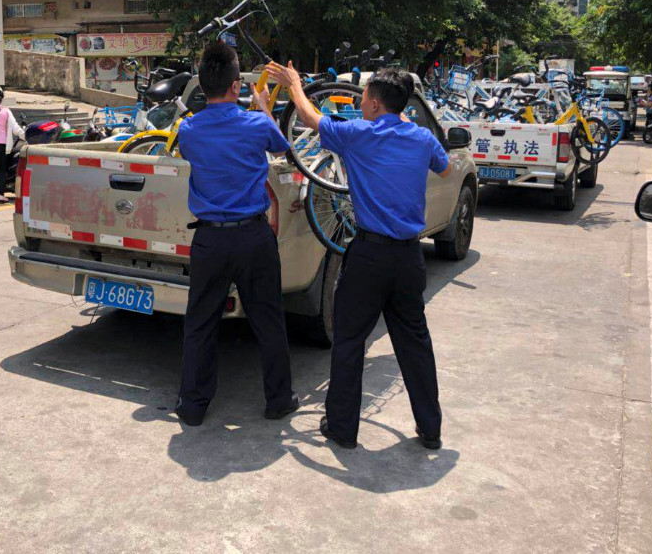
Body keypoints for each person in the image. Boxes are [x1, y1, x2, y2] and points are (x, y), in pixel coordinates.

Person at [268, 61, 451, 450]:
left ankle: (342, 428)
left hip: (370, 255)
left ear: (375, 104)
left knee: (350, 340)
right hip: (409, 257)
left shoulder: (359, 135)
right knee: (415, 342)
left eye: (364, 97)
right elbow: (446, 168)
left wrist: (295, 84)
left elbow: (309, 117)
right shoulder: (421, 138)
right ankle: (431, 428)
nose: (360, 102)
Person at [173, 43, 298, 427]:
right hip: (253, 237)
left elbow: (192, 151)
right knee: (268, 320)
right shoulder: (256, 124)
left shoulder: (188, 129)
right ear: (235, 86)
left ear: (203, 85)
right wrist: (262, 107)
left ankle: (193, 406)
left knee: (200, 322)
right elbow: (283, 147)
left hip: (209, 239)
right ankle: (278, 400)